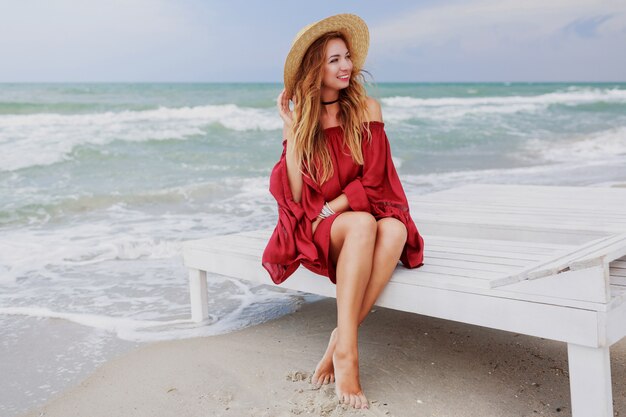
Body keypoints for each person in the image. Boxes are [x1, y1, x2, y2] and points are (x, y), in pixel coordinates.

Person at [262, 14, 425, 410]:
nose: (346, 66)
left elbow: (375, 181)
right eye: (334, 59)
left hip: (347, 217)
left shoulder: (367, 109)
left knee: (395, 231)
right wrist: (291, 132)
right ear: (315, 68)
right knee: (363, 222)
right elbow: (296, 196)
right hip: (322, 233)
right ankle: (349, 356)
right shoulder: (301, 120)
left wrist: (330, 208)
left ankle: (340, 339)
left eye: (346, 57)